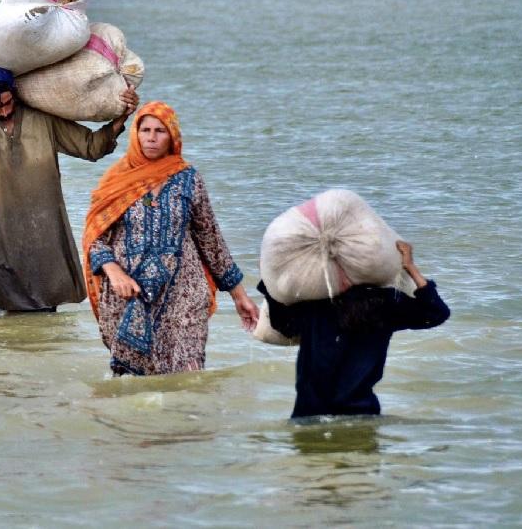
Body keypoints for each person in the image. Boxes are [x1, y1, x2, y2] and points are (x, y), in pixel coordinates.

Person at [0, 8, 139, 313]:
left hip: (39, 241)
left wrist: (122, 115)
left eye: (6, 101)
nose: (2, 108)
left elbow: (93, 146)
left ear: (15, 94)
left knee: (41, 318)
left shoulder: (43, 120)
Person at [83, 101, 259, 376]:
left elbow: (211, 241)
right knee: (134, 386)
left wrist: (240, 296)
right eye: (145, 130)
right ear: (136, 134)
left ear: (172, 137)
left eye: (160, 131)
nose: (151, 137)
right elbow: (95, 239)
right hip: (128, 294)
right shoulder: (116, 181)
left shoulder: (189, 179)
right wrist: (114, 271)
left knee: (188, 375)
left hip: (184, 293)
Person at [258, 240, 450, 419]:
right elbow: (436, 312)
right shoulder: (386, 303)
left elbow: (284, 326)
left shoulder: (314, 303)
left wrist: (270, 277)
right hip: (361, 414)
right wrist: (410, 267)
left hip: (310, 414)